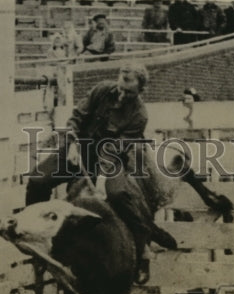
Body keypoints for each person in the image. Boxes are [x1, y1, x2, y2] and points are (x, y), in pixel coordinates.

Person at [25, 62, 149, 207]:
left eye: (129, 93)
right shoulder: (101, 89)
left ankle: (139, 229)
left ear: (141, 90)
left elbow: (114, 149)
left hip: (109, 160)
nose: (122, 96)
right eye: (120, 89)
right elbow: (76, 117)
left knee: (117, 196)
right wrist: (72, 144)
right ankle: (32, 225)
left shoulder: (139, 116)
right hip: (77, 148)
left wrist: (101, 179)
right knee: (37, 180)